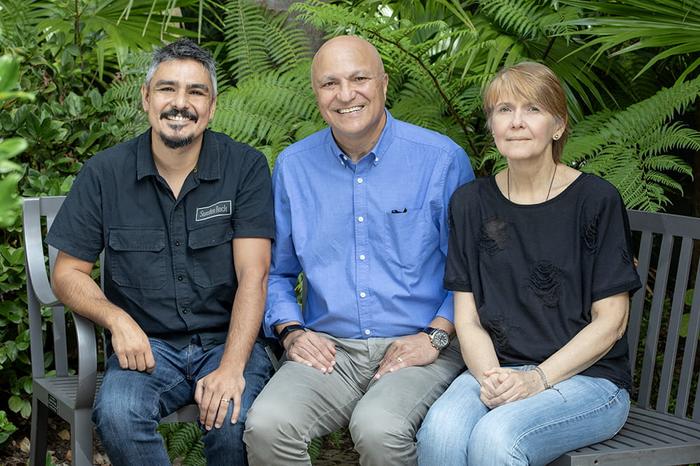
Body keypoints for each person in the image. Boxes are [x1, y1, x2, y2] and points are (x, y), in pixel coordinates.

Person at [243, 35, 474, 465]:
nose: (346, 94)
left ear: (384, 84)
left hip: (422, 345)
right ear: (316, 95)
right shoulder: (293, 167)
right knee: (268, 425)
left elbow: (471, 270)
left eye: (359, 78)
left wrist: (437, 335)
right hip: (331, 349)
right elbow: (274, 272)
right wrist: (291, 330)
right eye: (330, 83)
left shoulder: (442, 160)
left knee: (379, 428)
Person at [47, 38, 275, 466]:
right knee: (118, 412)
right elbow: (67, 273)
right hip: (147, 350)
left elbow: (254, 276)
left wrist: (231, 367)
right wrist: (117, 320)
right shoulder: (105, 173)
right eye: (168, 89)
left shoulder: (245, 167)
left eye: (196, 91)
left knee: (233, 420)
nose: (180, 103)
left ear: (212, 106)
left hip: (227, 341)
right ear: (146, 99)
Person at [416, 61, 641, 466]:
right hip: (497, 369)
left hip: (588, 379)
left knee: (497, 437)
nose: (516, 122)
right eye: (504, 110)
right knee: (440, 433)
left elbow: (612, 322)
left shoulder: (595, 200)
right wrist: (493, 380)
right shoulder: (470, 203)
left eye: (532, 109)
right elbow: (467, 319)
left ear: (558, 126)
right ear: (492, 125)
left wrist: (535, 380)